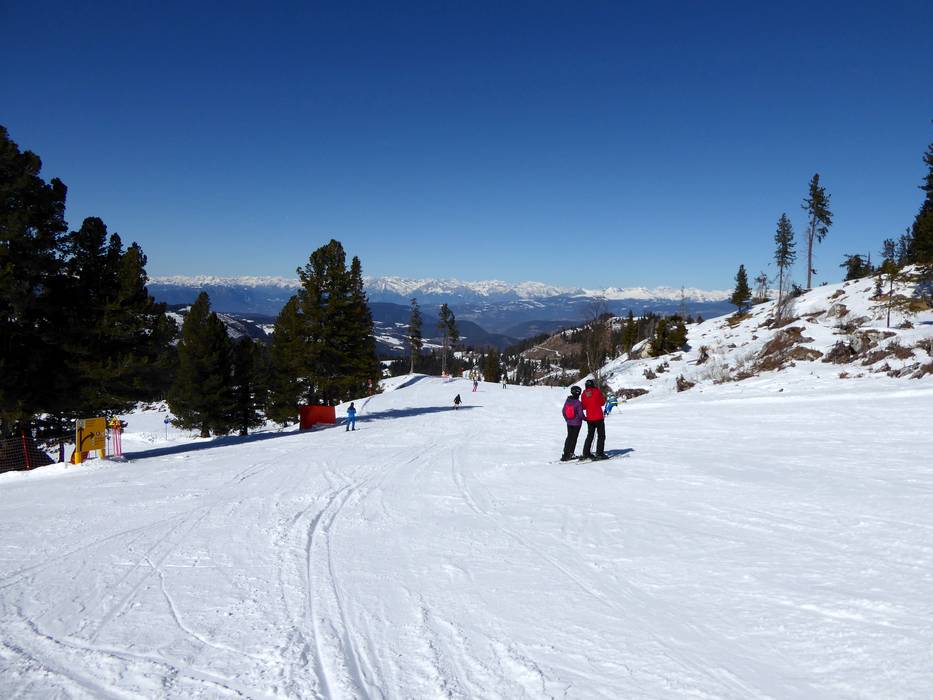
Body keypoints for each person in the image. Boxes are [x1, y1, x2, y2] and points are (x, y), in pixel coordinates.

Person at [580, 379, 607, 459]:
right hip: (598, 417)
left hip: (589, 418)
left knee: (590, 435)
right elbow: (602, 402)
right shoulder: (597, 391)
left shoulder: (584, 394)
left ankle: (586, 453)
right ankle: (599, 453)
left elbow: (583, 406)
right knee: (601, 435)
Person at [560, 385, 584, 461]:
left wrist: (567, 420)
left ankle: (565, 454)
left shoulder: (568, 400)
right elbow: (581, 415)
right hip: (577, 424)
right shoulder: (578, 403)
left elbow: (563, 411)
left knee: (569, 437)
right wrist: (586, 419)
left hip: (569, 423)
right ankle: (570, 454)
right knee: (574, 439)